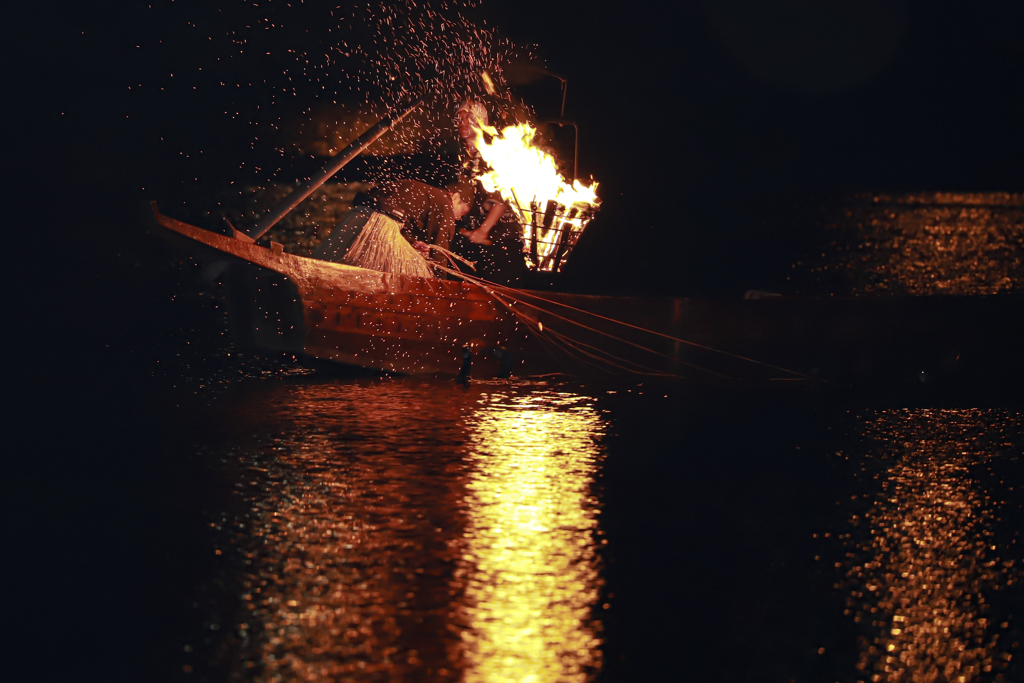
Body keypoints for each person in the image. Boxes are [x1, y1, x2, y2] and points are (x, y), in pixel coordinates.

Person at [372, 178, 470, 260]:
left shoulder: (425, 193)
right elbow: (440, 252)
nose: (458, 218)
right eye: (463, 212)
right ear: (456, 197)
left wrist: (411, 243)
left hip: (363, 216)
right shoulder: (445, 204)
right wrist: (438, 280)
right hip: (380, 224)